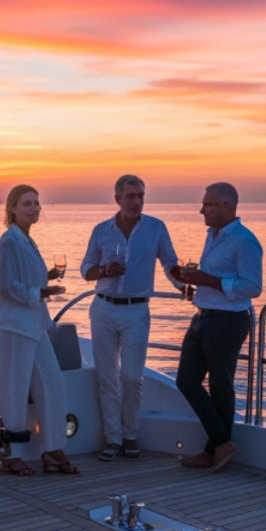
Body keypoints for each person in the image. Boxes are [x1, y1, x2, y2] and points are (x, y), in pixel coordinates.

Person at [79, 174, 182, 461]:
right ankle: (113, 439)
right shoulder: (101, 230)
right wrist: (103, 270)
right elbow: (85, 269)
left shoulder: (156, 228)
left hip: (137, 310)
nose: (137, 202)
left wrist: (184, 286)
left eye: (140, 196)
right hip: (103, 308)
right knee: (107, 377)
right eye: (131, 196)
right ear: (117, 199)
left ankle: (131, 434)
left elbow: (170, 263)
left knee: (132, 376)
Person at [0, 184, 79, 476]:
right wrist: (42, 292)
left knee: (53, 382)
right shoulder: (9, 240)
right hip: (12, 325)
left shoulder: (27, 240)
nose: (34, 208)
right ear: (12, 208)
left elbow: (23, 276)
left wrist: (47, 276)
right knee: (12, 389)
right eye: (27, 204)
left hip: (33, 325)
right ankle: (6, 453)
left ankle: (52, 448)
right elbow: (4, 285)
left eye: (37, 203)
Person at [173, 181, 263, 472]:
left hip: (228, 319)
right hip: (204, 316)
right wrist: (194, 278)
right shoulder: (213, 236)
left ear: (225, 206)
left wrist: (206, 280)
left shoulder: (245, 241)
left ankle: (216, 449)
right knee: (186, 380)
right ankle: (220, 443)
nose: (201, 210)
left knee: (221, 385)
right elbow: (214, 276)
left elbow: (253, 286)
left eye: (207, 205)